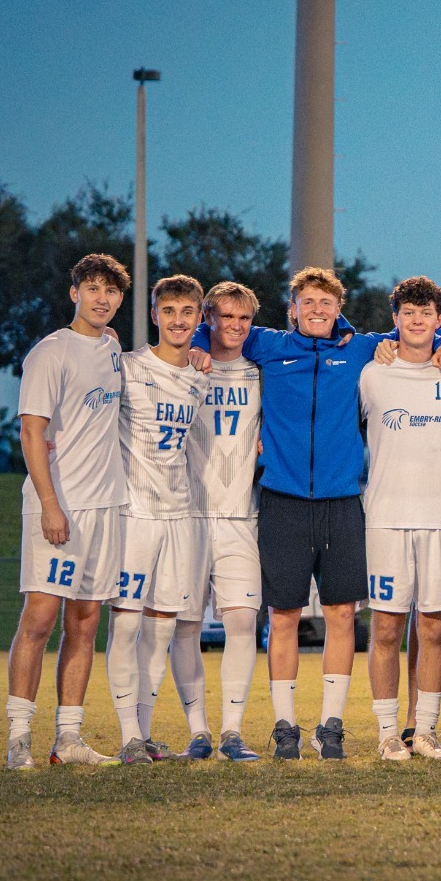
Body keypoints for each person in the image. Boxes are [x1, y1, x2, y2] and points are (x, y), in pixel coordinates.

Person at [195, 265, 441, 760]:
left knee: (341, 614)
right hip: (282, 498)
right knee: (285, 615)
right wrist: (198, 348)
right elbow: (216, 329)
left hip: (342, 501)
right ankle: (286, 724)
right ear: (292, 308)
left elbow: (418, 331)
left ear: (340, 308)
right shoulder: (269, 345)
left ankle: (330, 726)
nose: (317, 311)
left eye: (326, 303)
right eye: (307, 302)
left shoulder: (359, 348)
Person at [5, 254, 131, 769]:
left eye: (111, 291)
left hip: (106, 506)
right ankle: (18, 738)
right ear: (73, 292)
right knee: (39, 617)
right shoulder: (50, 352)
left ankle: (69, 738)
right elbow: (31, 431)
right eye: (93, 287)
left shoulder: (113, 347)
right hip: (60, 507)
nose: (102, 298)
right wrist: (51, 506)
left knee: (85, 620)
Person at [359, 277, 441, 762]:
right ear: (395, 318)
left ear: (439, 318)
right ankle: (389, 733)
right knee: (385, 630)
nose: (416, 321)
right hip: (385, 517)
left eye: (426, 313)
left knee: (433, 630)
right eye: (408, 312)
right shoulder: (371, 374)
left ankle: (424, 730)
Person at [106, 274, 209, 765]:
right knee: (126, 626)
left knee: (163, 630)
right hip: (135, 514)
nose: (177, 320)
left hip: (179, 514)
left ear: (198, 318)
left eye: (187, 312)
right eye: (169, 311)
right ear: (155, 315)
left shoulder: (199, 377)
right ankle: (128, 735)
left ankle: (143, 734)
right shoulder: (126, 367)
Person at [169, 281, 265, 762]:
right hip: (187, 516)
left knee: (242, 621)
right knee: (185, 625)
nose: (235, 326)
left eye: (244, 318)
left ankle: (232, 731)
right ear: (209, 318)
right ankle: (198, 731)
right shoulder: (185, 369)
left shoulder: (260, 372)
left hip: (238, 517)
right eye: (226, 317)